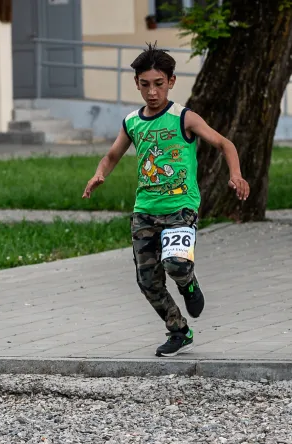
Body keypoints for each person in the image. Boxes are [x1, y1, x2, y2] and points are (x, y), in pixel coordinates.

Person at [82, 43, 250, 357]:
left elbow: (225, 143)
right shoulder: (132, 122)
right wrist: (99, 173)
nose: (152, 92)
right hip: (144, 211)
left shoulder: (183, 117)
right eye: (145, 85)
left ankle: (188, 283)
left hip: (180, 206)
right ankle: (179, 331)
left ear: (171, 82)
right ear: (136, 84)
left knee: (175, 263)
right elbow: (111, 156)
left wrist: (236, 174)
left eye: (158, 84)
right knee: (147, 279)